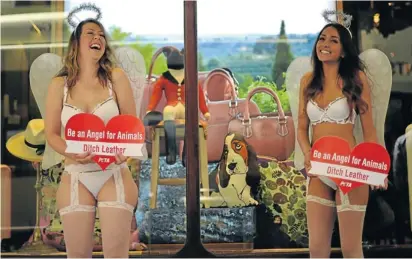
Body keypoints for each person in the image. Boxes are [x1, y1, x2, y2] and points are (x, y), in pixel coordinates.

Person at [45, 18, 138, 258]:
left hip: (114, 174)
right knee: (77, 255)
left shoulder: (115, 78)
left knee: (116, 255)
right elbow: (52, 134)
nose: (98, 38)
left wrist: (125, 151)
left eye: (102, 35)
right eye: (90, 33)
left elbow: (132, 127)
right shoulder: (59, 84)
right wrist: (70, 151)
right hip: (75, 175)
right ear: (76, 42)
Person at [297, 22, 388, 258]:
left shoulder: (355, 80)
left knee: (350, 249)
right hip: (319, 169)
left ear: (344, 50)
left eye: (333, 41)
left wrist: (377, 168)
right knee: (316, 250)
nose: (325, 44)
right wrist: (307, 153)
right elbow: (301, 127)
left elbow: (369, 131)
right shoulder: (308, 82)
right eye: (322, 39)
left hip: (349, 169)